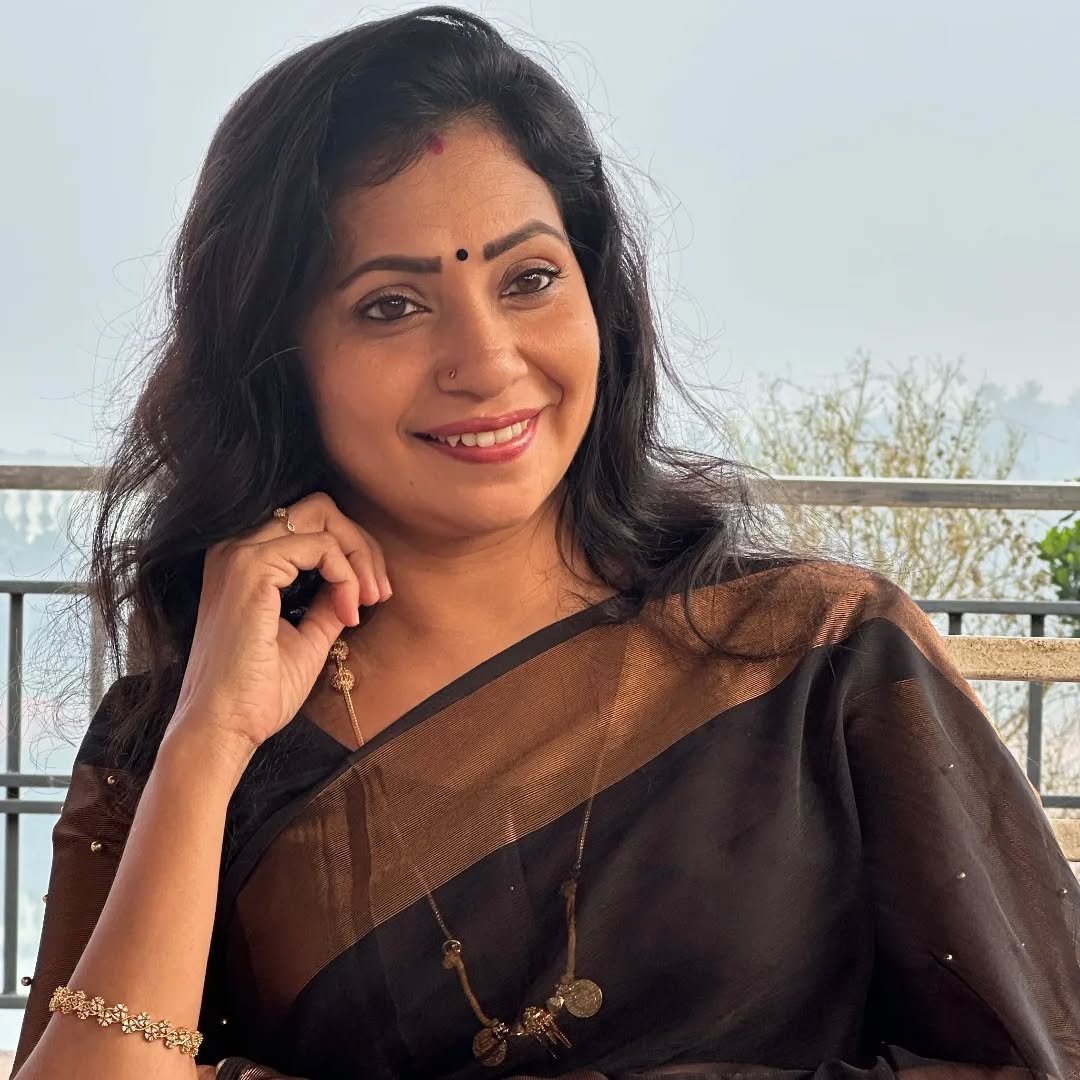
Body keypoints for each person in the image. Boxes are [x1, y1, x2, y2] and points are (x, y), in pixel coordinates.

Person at [12, 7, 1080, 1080]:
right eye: (391, 305)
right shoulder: (183, 743)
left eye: (528, 279)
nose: (486, 360)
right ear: (279, 360)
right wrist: (207, 749)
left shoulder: (812, 658)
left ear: (598, 297)